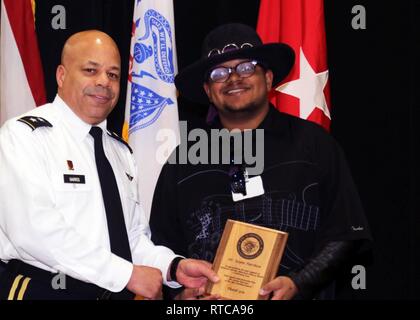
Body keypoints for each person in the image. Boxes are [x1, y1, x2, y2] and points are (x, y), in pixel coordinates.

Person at [149, 23, 372, 300]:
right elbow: (161, 249)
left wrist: (299, 283)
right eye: (219, 73)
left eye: (246, 67)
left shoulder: (314, 145)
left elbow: (346, 234)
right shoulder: (182, 161)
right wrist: (183, 294)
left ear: (268, 78)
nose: (233, 79)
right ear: (208, 91)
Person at [0, 30, 219, 300]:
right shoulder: (25, 136)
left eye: (113, 74)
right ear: (61, 75)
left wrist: (173, 268)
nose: (104, 81)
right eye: (91, 70)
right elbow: (32, 232)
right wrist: (126, 275)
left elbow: (132, 239)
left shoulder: (119, 151)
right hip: (47, 290)